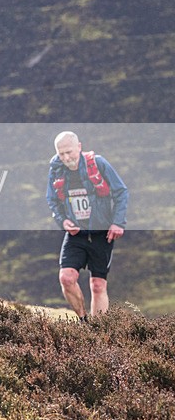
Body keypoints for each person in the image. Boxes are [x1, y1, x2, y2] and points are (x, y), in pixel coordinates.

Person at [46, 131, 128, 320]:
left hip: (101, 233)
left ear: (79, 147)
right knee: (66, 278)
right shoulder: (56, 170)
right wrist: (62, 220)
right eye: (61, 154)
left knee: (98, 285)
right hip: (76, 234)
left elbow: (121, 192)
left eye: (69, 152)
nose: (66, 158)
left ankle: (98, 331)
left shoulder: (98, 164)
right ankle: (84, 322)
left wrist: (118, 222)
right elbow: (52, 199)